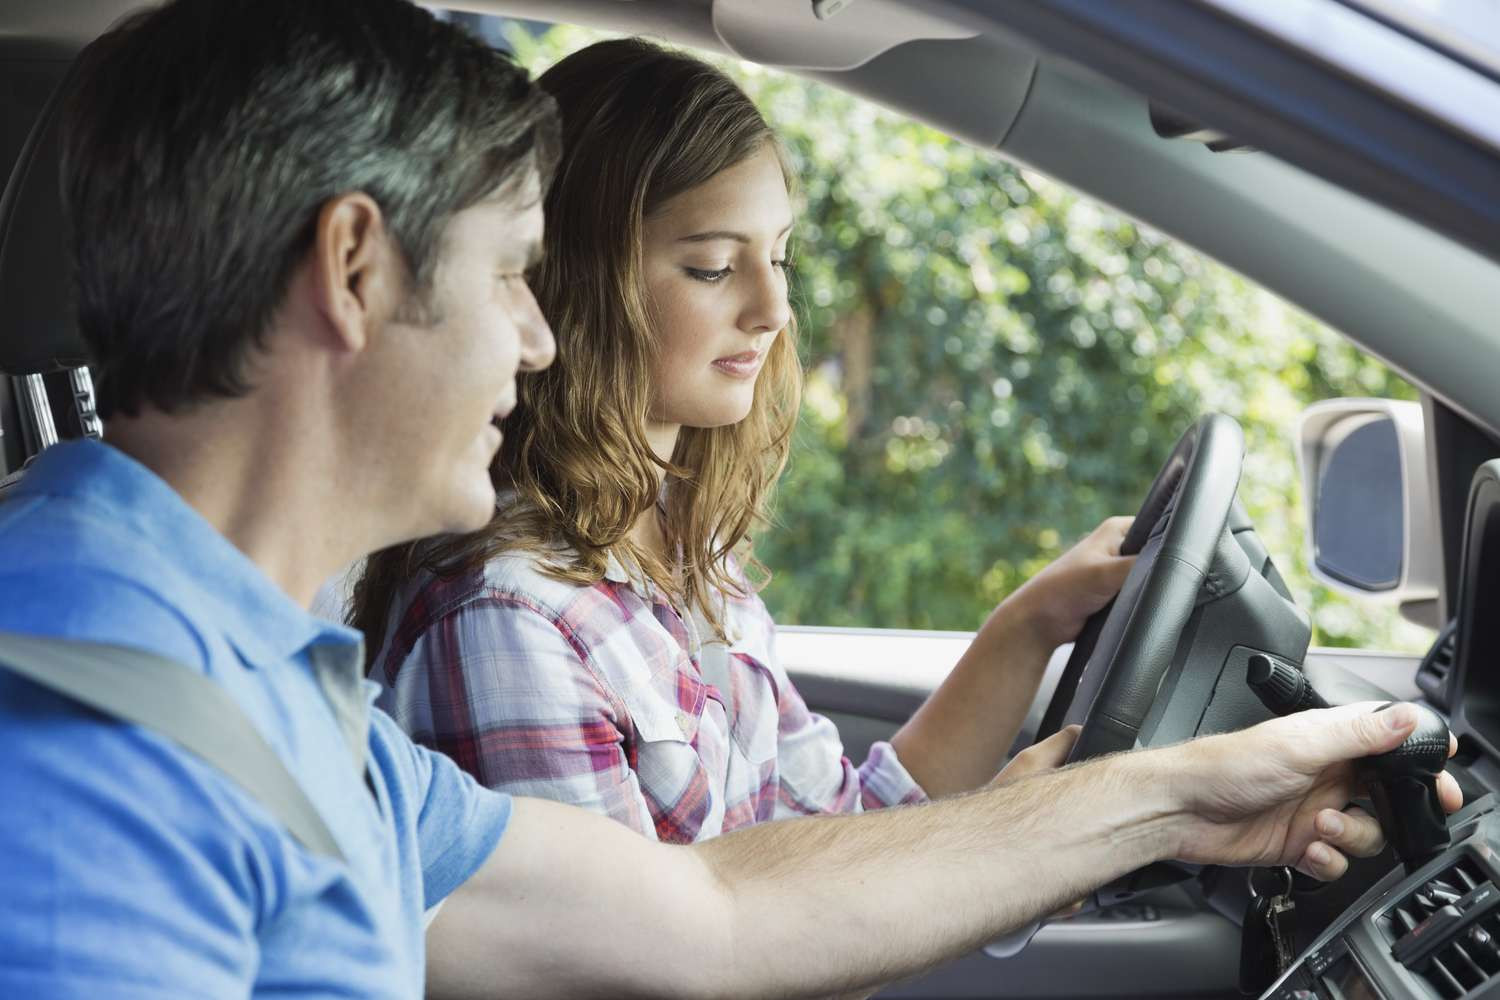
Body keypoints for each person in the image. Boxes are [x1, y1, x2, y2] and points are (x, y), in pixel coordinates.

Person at [0, 1, 1461, 997]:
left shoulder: (279, 692)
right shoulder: (86, 740)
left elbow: (713, 917)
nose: (539, 333)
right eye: (513, 270)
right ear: (357, 269)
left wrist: (1172, 804)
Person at [352, 38, 1134, 842]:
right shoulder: (511, 619)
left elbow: (840, 832)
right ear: (580, 281)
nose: (774, 308)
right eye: (715, 269)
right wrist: (1013, 841)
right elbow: (663, 964)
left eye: (779, 256)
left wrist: (1034, 622)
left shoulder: (687, 551)